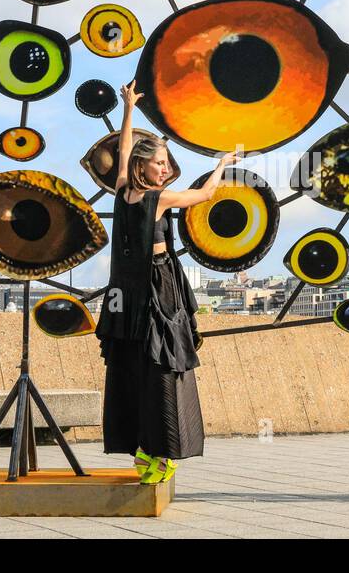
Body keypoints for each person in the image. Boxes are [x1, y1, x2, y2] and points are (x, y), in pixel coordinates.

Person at [96, 80, 242, 484]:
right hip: (156, 287)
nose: (165, 169)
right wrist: (223, 163)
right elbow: (206, 194)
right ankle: (161, 451)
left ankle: (146, 449)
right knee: (161, 364)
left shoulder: (123, 190)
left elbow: (123, 149)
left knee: (135, 366)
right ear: (144, 166)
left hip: (123, 294)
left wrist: (129, 109)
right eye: (160, 163)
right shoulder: (157, 197)